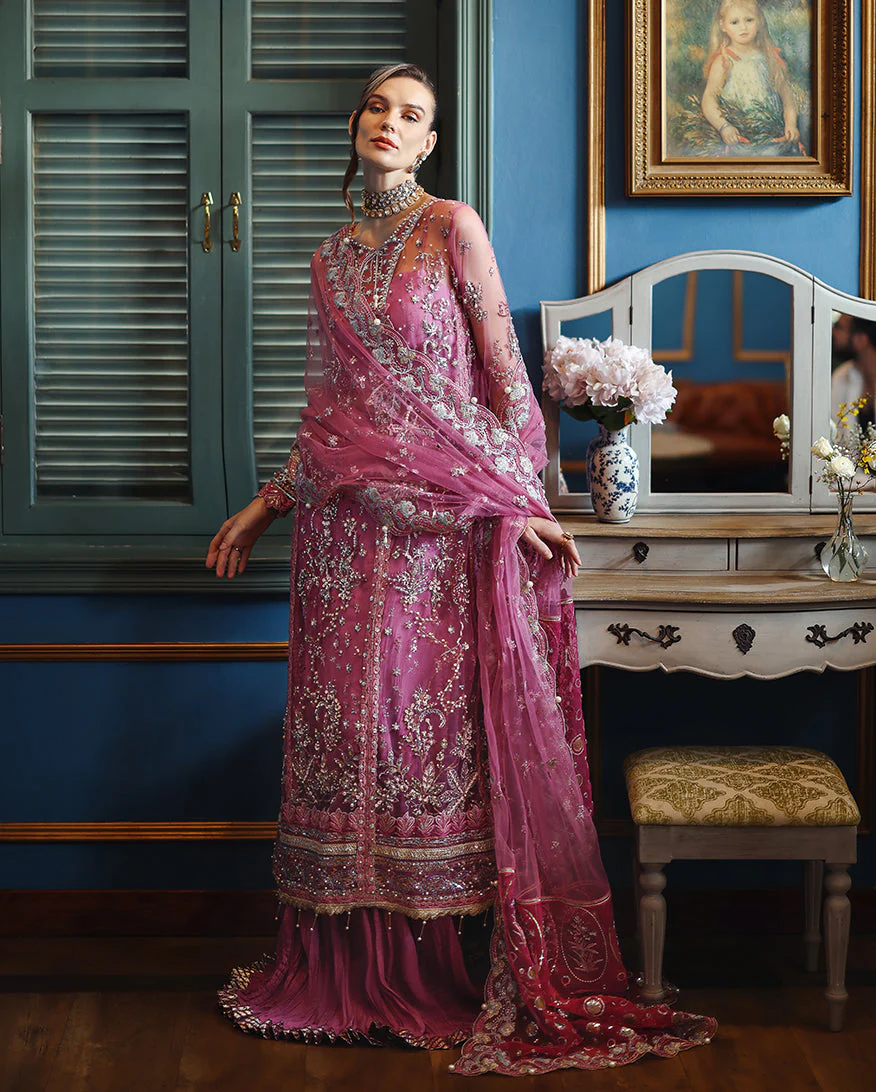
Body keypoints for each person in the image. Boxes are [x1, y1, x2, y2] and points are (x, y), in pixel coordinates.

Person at [208, 62, 715, 1075]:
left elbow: (505, 383)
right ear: (356, 124)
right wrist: (266, 504)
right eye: (377, 108)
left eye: (411, 115)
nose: (389, 123)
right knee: (345, 740)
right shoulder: (326, 259)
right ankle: (336, 977)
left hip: (441, 537)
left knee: (415, 744)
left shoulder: (452, 228)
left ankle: (425, 977)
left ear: (430, 142)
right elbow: (332, 417)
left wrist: (519, 502)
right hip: (342, 539)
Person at [672, 0, 804, 157]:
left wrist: (790, 124)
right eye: (734, 22)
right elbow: (709, 98)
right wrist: (724, 126)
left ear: (759, 21)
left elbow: (787, 96)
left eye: (749, 20)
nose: (743, 27)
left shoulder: (770, 57)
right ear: (723, 26)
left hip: (771, 135)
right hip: (738, 137)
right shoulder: (724, 60)